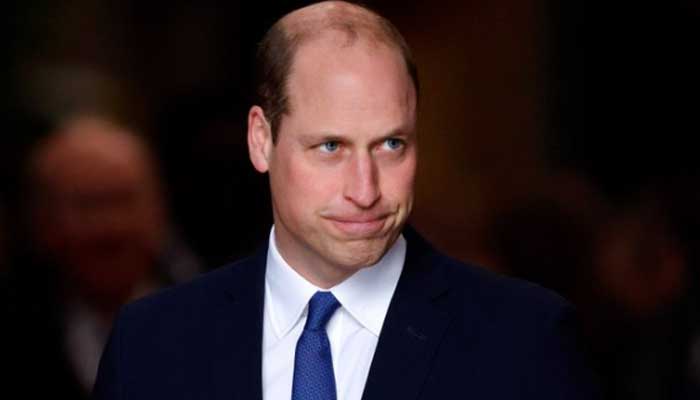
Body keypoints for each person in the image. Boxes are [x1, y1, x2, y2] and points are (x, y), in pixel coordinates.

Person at [93, 2, 598, 399]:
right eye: (331, 147)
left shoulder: (524, 341)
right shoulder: (151, 344)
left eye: (391, 144)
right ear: (260, 140)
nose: (365, 190)